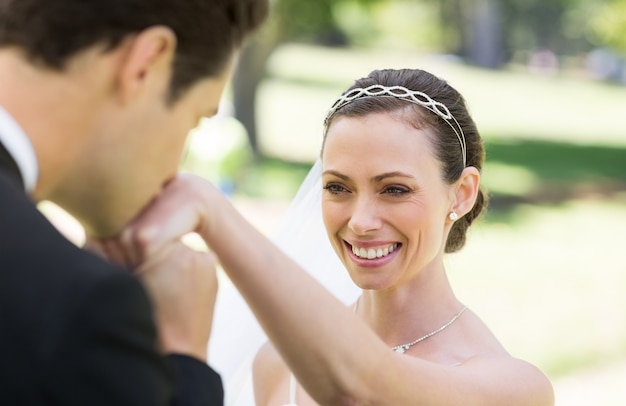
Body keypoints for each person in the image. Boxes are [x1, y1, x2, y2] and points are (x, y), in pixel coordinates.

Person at [108, 68, 555, 405]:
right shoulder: (276, 364)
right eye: (338, 187)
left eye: (394, 189)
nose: (360, 220)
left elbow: (358, 388)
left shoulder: (512, 388)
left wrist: (213, 215)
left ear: (461, 194)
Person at [0, 0, 267, 404]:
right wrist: (184, 356)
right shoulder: (81, 303)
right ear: (146, 64)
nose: (172, 172)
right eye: (195, 118)